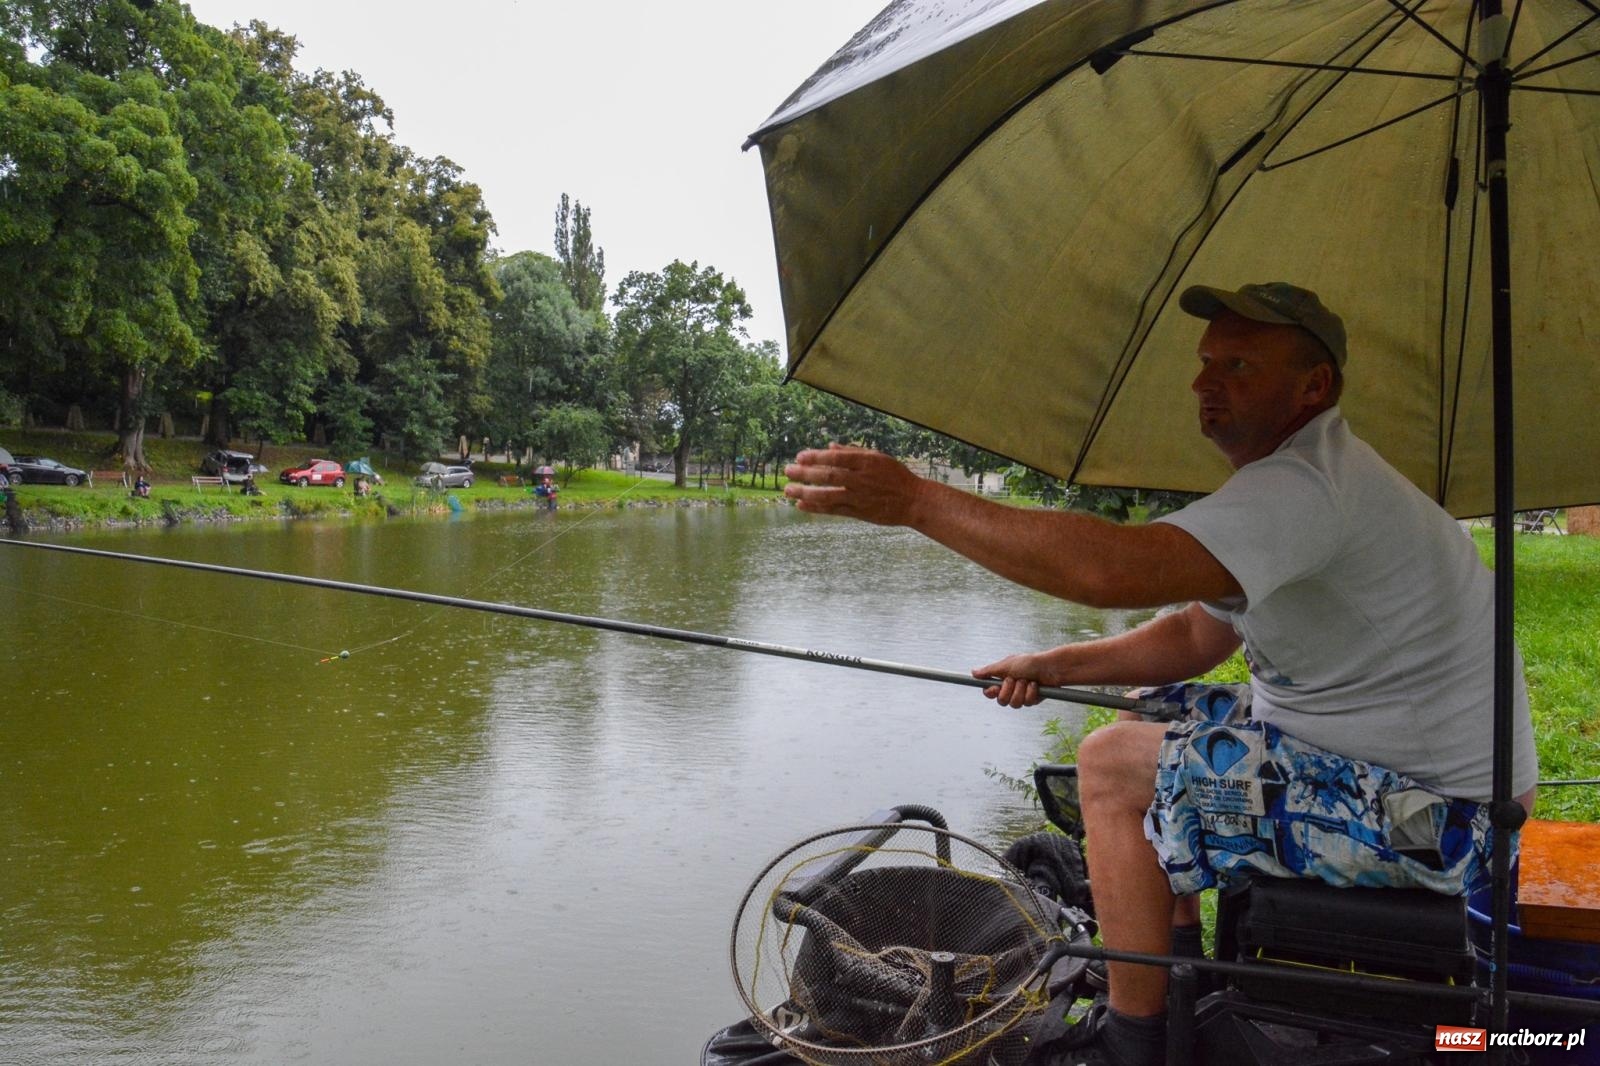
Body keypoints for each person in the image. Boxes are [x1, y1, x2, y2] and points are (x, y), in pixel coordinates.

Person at [782, 282, 1538, 1066]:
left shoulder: (1309, 487)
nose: (1203, 385)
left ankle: (1131, 1038)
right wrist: (1054, 664)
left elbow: (1111, 568)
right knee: (1148, 711)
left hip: (1448, 824)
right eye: (1206, 363)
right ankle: (1175, 957)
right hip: (1421, 774)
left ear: (1314, 386)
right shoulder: (1310, 479)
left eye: (1238, 366)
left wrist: (915, 501)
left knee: (1111, 767)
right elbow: (1194, 635)